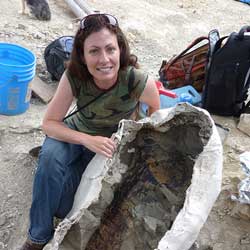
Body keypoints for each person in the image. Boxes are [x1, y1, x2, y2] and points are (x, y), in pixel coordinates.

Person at [20, 13, 160, 250]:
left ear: (120, 50)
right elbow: (50, 123)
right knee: (50, 158)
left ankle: (53, 180)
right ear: (83, 57)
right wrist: (87, 139)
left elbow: (155, 118)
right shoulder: (75, 76)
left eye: (110, 49)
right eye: (94, 51)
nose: (104, 59)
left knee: (63, 207)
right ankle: (38, 237)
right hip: (76, 134)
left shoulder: (137, 81)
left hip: (107, 148)